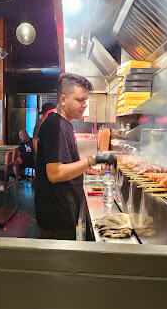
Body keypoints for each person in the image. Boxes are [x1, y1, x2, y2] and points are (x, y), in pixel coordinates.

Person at [35, 73, 116, 240]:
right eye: (80, 100)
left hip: (63, 208)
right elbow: (55, 173)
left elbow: (65, 163)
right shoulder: (55, 126)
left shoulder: (65, 123)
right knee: (59, 263)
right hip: (57, 213)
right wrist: (93, 160)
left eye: (85, 100)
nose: (84, 105)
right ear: (63, 99)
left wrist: (88, 170)